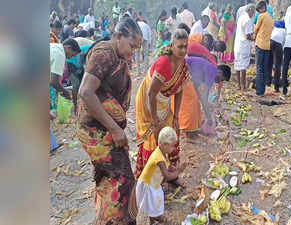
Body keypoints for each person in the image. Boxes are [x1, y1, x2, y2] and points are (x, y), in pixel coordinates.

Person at [76, 18, 142, 225]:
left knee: (109, 177)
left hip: (104, 128)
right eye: (132, 46)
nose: (133, 52)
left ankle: (106, 217)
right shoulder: (104, 54)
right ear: (119, 36)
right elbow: (86, 93)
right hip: (96, 130)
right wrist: (114, 129)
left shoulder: (117, 55)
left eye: (137, 48)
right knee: (122, 180)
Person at [134, 29, 190, 181]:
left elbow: (179, 90)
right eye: (180, 46)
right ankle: (151, 179)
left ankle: (172, 173)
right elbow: (151, 94)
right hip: (148, 102)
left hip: (163, 102)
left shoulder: (182, 64)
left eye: (186, 46)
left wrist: (177, 116)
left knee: (173, 131)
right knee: (154, 136)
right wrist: (155, 120)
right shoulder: (164, 63)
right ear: (172, 45)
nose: (183, 50)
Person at [136, 127, 187, 225]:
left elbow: (168, 168)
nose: (173, 148)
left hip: (153, 184)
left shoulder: (163, 152)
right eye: (172, 146)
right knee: (155, 205)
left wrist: (176, 169)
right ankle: (160, 219)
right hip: (148, 185)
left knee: (153, 204)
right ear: (164, 144)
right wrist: (179, 170)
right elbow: (167, 176)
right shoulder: (158, 158)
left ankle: (152, 220)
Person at [172, 57, 231, 139]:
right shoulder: (212, 72)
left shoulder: (210, 69)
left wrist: (204, 103)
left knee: (195, 101)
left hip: (180, 71)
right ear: (220, 72)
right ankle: (189, 132)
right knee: (191, 102)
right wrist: (208, 117)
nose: (220, 82)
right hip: (179, 71)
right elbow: (204, 97)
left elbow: (198, 87)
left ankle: (192, 129)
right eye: (222, 79)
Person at [50, 39, 81, 111]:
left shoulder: (54, 46)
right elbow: (53, 81)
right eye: (72, 54)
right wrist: (65, 93)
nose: (70, 57)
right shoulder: (60, 54)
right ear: (68, 48)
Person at [254, 1, 274, 97]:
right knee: (264, 68)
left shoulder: (261, 16)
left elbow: (256, 29)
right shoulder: (270, 18)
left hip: (260, 44)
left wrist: (253, 35)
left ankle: (259, 91)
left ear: (262, 8)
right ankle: (263, 90)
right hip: (267, 46)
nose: (258, 12)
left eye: (258, 10)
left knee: (259, 68)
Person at [234, 4, 255, 91]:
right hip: (243, 45)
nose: (253, 14)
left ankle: (239, 85)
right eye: (253, 12)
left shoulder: (241, 18)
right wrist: (254, 38)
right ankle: (243, 87)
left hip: (238, 44)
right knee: (243, 67)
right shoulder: (247, 20)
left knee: (237, 65)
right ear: (250, 10)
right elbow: (248, 36)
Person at [270, 20, 286, 93]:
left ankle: (268, 83)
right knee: (278, 66)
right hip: (278, 45)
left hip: (270, 42)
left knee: (268, 64)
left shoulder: (274, 28)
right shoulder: (283, 31)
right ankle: (276, 87)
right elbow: (283, 43)